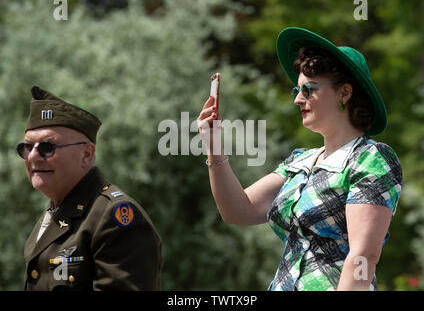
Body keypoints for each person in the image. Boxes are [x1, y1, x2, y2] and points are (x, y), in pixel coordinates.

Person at [197, 27, 402, 291]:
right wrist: (213, 144)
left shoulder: (371, 158)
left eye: (308, 89)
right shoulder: (299, 162)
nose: (297, 99)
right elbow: (238, 210)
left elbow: (363, 257)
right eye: (297, 89)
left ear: (344, 93)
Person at [20, 86, 162, 290]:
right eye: (26, 147)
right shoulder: (58, 211)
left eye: (47, 147)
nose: (33, 156)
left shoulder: (113, 217)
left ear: (86, 154)